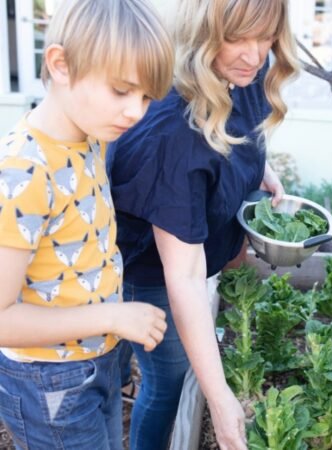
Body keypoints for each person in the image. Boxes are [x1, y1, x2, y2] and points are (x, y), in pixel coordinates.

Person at [107, 0, 299, 449]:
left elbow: (240, 131)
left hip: (179, 252)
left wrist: (261, 169)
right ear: (201, 32)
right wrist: (220, 397)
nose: (254, 54)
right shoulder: (173, 133)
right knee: (168, 378)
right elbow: (186, 276)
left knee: (145, 349)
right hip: (148, 267)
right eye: (237, 37)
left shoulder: (240, 72)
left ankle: (118, 367)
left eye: (266, 35)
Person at [0, 1, 174, 449]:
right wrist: (114, 315)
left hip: (97, 358)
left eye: (146, 97)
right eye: (121, 90)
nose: (136, 112)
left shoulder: (91, 136)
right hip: (48, 381)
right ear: (61, 65)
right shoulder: (23, 172)